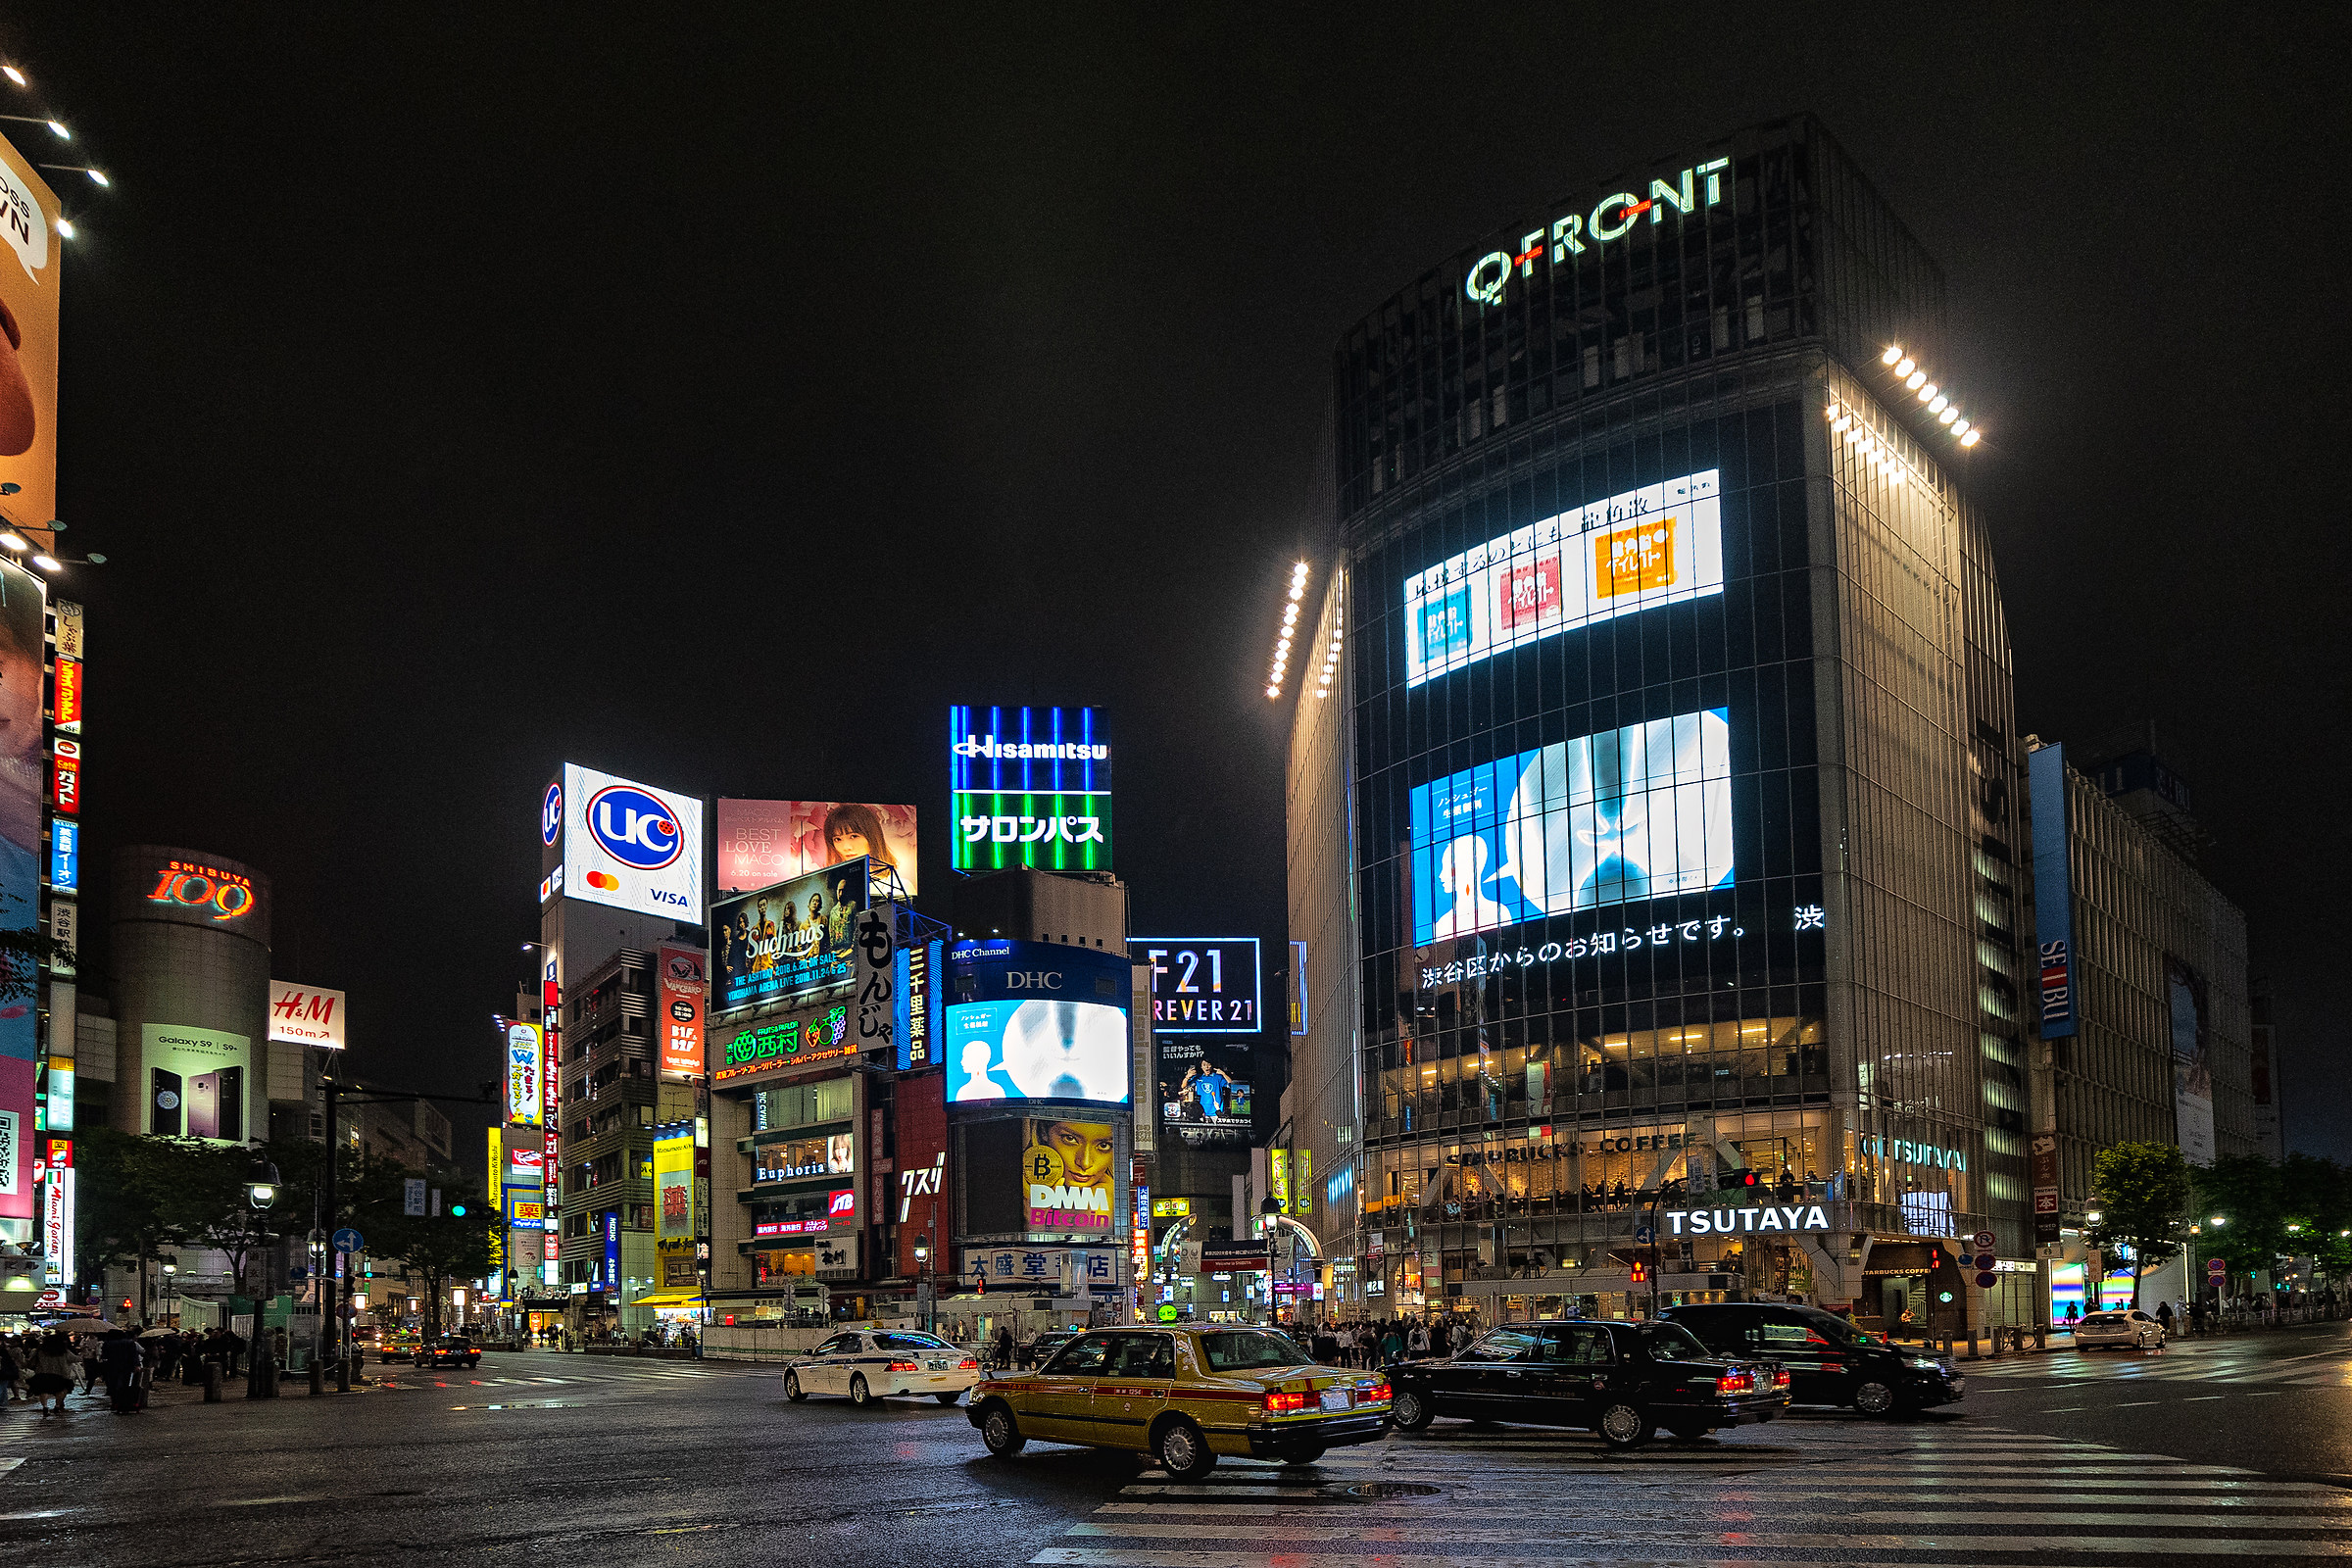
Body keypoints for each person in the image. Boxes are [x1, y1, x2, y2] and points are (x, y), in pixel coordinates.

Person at [28, 1333, 73, 1418]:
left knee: (44, 1391)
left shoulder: (39, 1351)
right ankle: (57, 1406)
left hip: (42, 1373)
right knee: (60, 1390)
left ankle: (45, 1407)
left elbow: (32, 1361)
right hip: (59, 1374)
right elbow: (74, 1359)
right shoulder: (62, 1351)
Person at [98, 1330, 141, 1414]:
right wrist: (136, 1365)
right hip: (126, 1367)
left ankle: (115, 1403)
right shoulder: (129, 1343)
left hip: (111, 1367)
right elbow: (134, 1355)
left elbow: (104, 1356)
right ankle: (125, 1403)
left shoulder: (107, 1343)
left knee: (112, 1386)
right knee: (125, 1385)